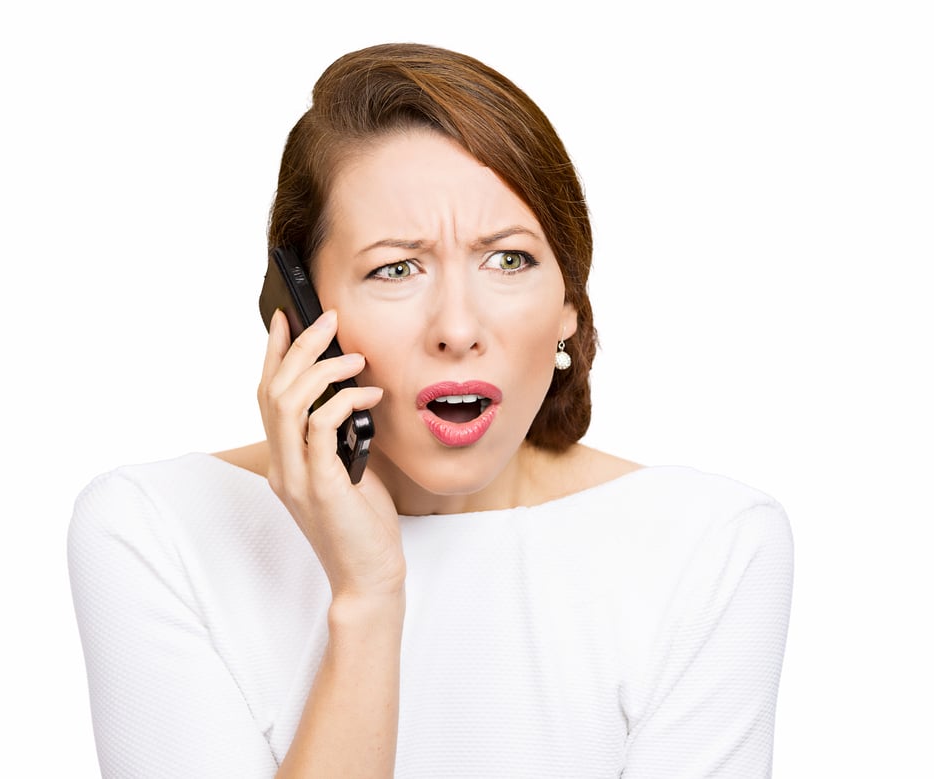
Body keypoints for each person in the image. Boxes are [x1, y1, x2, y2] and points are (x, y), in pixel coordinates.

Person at [68, 43, 794, 778]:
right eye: (396, 267)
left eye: (508, 259)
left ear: (569, 303)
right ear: (301, 310)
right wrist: (368, 599)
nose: (457, 325)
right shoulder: (153, 531)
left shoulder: (711, 546)